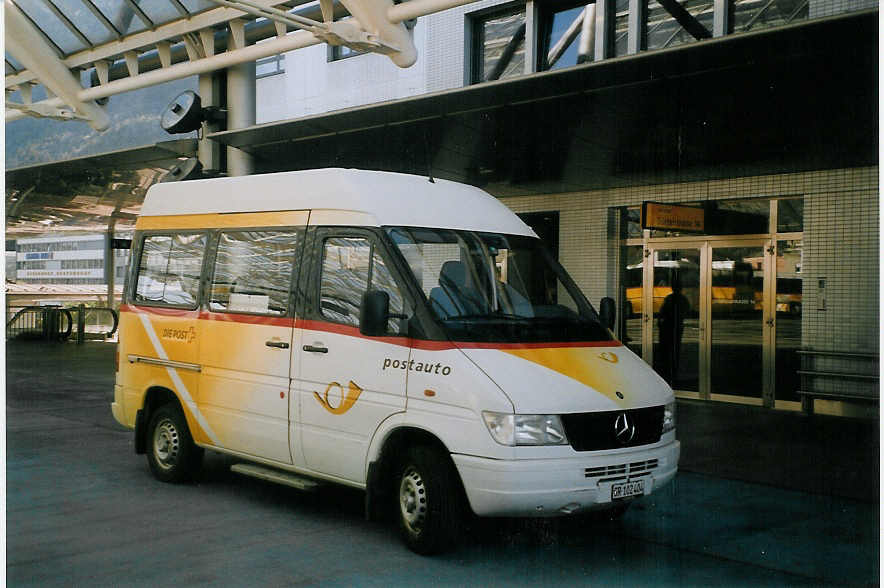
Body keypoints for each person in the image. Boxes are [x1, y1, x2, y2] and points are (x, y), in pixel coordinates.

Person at [658, 272, 691, 386]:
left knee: (665, 353)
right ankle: (673, 374)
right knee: (675, 352)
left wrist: (661, 324)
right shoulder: (683, 299)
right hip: (677, 329)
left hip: (667, 329)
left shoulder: (669, 298)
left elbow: (661, 313)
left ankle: (666, 375)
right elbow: (687, 312)